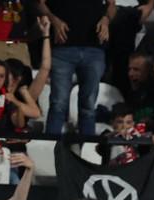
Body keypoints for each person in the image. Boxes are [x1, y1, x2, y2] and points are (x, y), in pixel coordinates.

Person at [38, 0, 115, 136]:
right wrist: (53, 20)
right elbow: (40, 4)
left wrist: (106, 19)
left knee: (89, 105)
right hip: (63, 46)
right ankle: (50, 150)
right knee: (58, 103)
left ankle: (85, 152)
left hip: (94, 48)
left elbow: (112, 5)